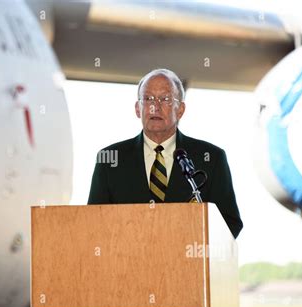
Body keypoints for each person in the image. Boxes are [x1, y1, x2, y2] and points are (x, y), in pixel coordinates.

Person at [87, 68, 243, 238]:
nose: (155, 106)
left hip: (188, 261)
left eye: (165, 99)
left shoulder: (212, 158)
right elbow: (95, 223)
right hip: (126, 261)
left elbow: (230, 223)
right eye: (148, 99)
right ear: (138, 109)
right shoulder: (109, 159)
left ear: (181, 110)